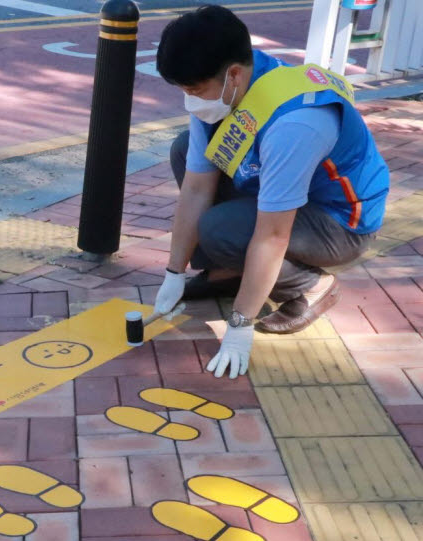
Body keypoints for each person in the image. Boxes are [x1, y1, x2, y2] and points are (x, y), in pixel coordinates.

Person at [151, 5, 389, 378]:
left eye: (194, 90)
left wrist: (240, 325)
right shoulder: (236, 84)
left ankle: (312, 286)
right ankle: (229, 269)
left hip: (339, 221)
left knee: (220, 229)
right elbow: (197, 187)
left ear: (232, 74)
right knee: (185, 149)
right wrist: (173, 270)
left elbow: (273, 235)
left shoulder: (295, 124)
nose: (190, 100)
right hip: (287, 190)